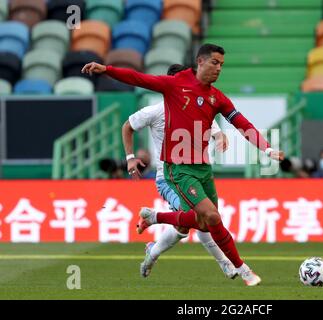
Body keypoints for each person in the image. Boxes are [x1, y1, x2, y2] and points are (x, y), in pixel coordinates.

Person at [81, 44, 285, 286]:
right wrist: (106, 69)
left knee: (203, 222)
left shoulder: (215, 97)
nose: (219, 68)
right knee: (210, 216)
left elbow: (242, 123)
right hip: (175, 170)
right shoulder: (173, 86)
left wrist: (267, 148)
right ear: (200, 61)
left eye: (222, 64)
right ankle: (241, 268)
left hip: (202, 169)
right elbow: (138, 78)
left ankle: (155, 217)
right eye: (215, 62)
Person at [122, 64, 237, 279]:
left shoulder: (196, 109)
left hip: (196, 175)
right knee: (200, 220)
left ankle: (152, 247)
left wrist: (221, 137)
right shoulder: (154, 111)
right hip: (168, 177)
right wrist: (130, 159)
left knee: (196, 222)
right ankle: (225, 263)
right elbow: (127, 126)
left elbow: (216, 131)